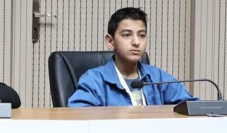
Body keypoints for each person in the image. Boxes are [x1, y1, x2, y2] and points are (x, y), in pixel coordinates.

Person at [68, 7, 196, 107]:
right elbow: (78, 116)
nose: (136, 42)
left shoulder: (158, 77)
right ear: (110, 41)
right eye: (126, 35)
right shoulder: (94, 80)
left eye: (141, 35)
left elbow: (191, 107)